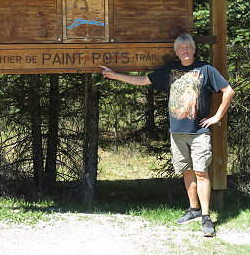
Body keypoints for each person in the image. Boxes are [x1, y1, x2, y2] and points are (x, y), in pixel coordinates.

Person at [100, 34, 235, 237]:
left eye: (188, 47)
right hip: (176, 132)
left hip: (199, 132)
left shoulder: (206, 69)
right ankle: (193, 210)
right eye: (181, 47)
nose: (185, 50)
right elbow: (143, 80)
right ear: (176, 51)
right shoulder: (169, 70)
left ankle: (206, 218)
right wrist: (115, 75)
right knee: (187, 171)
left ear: (194, 49)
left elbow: (228, 91)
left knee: (201, 172)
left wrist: (217, 116)